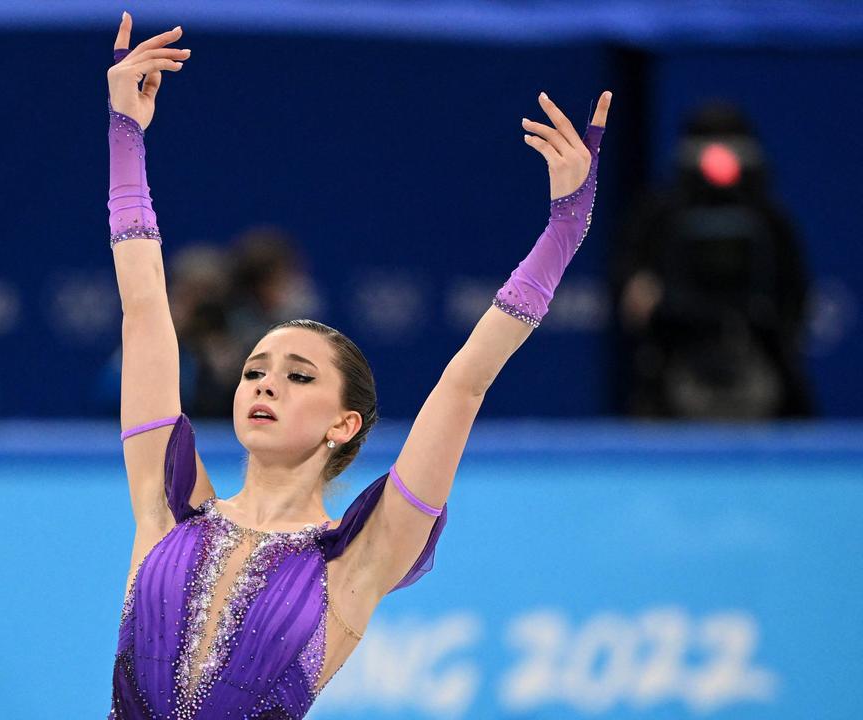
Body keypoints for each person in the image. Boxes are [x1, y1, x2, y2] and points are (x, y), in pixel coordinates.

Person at [104, 14, 611, 718]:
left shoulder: (354, 561)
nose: (265, 383)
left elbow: (464, 383)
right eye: (256, 370)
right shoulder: (169, 508)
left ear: (345, 424)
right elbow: (145, 310)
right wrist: (125, 135)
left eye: (298, 374)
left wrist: (563, 234)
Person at [613, 102, 813, 418]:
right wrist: (640, 288)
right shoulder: (659, 217)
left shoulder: (770, 220)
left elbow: (796, 298)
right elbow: (631, 295)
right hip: (675, 355)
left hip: (758, 352)